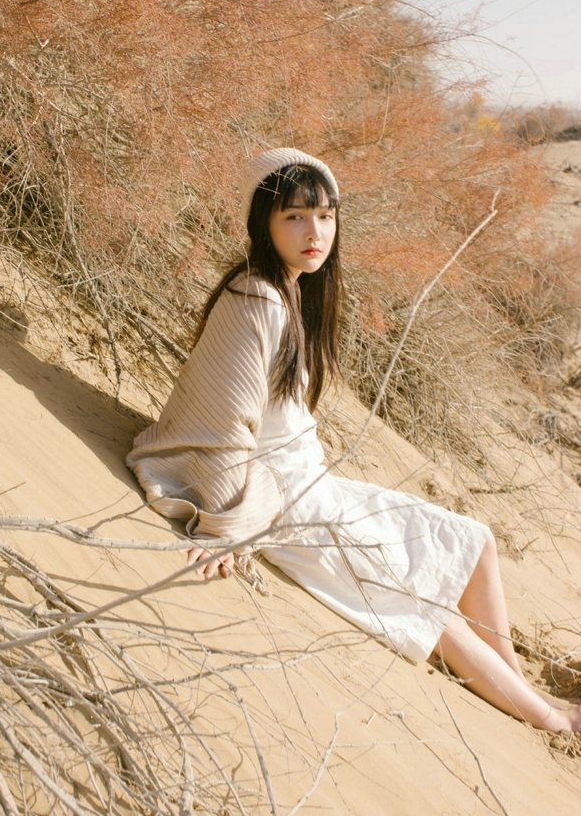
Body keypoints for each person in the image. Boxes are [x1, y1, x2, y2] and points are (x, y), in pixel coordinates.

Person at [127, 147, 581, 733]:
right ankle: (556, 724)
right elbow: (225, 424)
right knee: (424, 606)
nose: (314, 232)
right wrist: (229, 529)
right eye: (294, 216)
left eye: (325, 216)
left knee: (475, 541)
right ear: (263, 222)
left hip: (317, 490)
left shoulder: (290, 291)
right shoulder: (256, 299)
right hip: (284, 509)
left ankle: (520, 686)